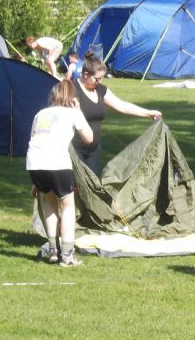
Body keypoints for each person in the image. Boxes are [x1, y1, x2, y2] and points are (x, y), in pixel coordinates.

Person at [26, 79, 94, 267]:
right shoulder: (72, 113)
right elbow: (89, 138)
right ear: (72, 98)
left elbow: (36, 139)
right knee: (67, 206)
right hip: (57, 163)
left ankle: (53, 250)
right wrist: (79, 111)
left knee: (49, 203)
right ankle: (67, 255)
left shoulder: (40, 113)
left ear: (53, 96)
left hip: (34, 163)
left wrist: (35, 182)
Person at [73, 50, 162, 176]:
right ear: (86, 74)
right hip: (74, 149)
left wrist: (148, 113)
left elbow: (121, 105)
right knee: (75, 189)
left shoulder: (100, 90)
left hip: (93, 151)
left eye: (102, 78)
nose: (100, 82)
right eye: (97, 79)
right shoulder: (72, 89)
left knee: (93, 189)